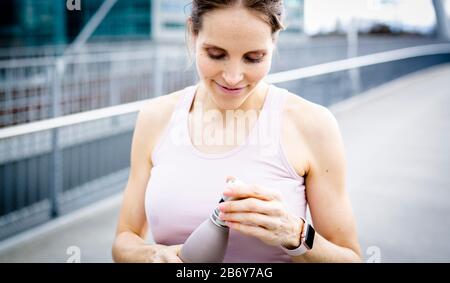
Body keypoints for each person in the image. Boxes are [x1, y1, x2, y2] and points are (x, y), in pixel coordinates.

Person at [112, 0, 361, 263]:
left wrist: (294, 233)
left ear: (274, 42)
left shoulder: (313, 124)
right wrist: (151, 255)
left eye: (254, 58)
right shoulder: (155, 117)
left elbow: (351, 258)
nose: (232, 77)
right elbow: (124, 239)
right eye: (215, 54)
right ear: (192, 34)